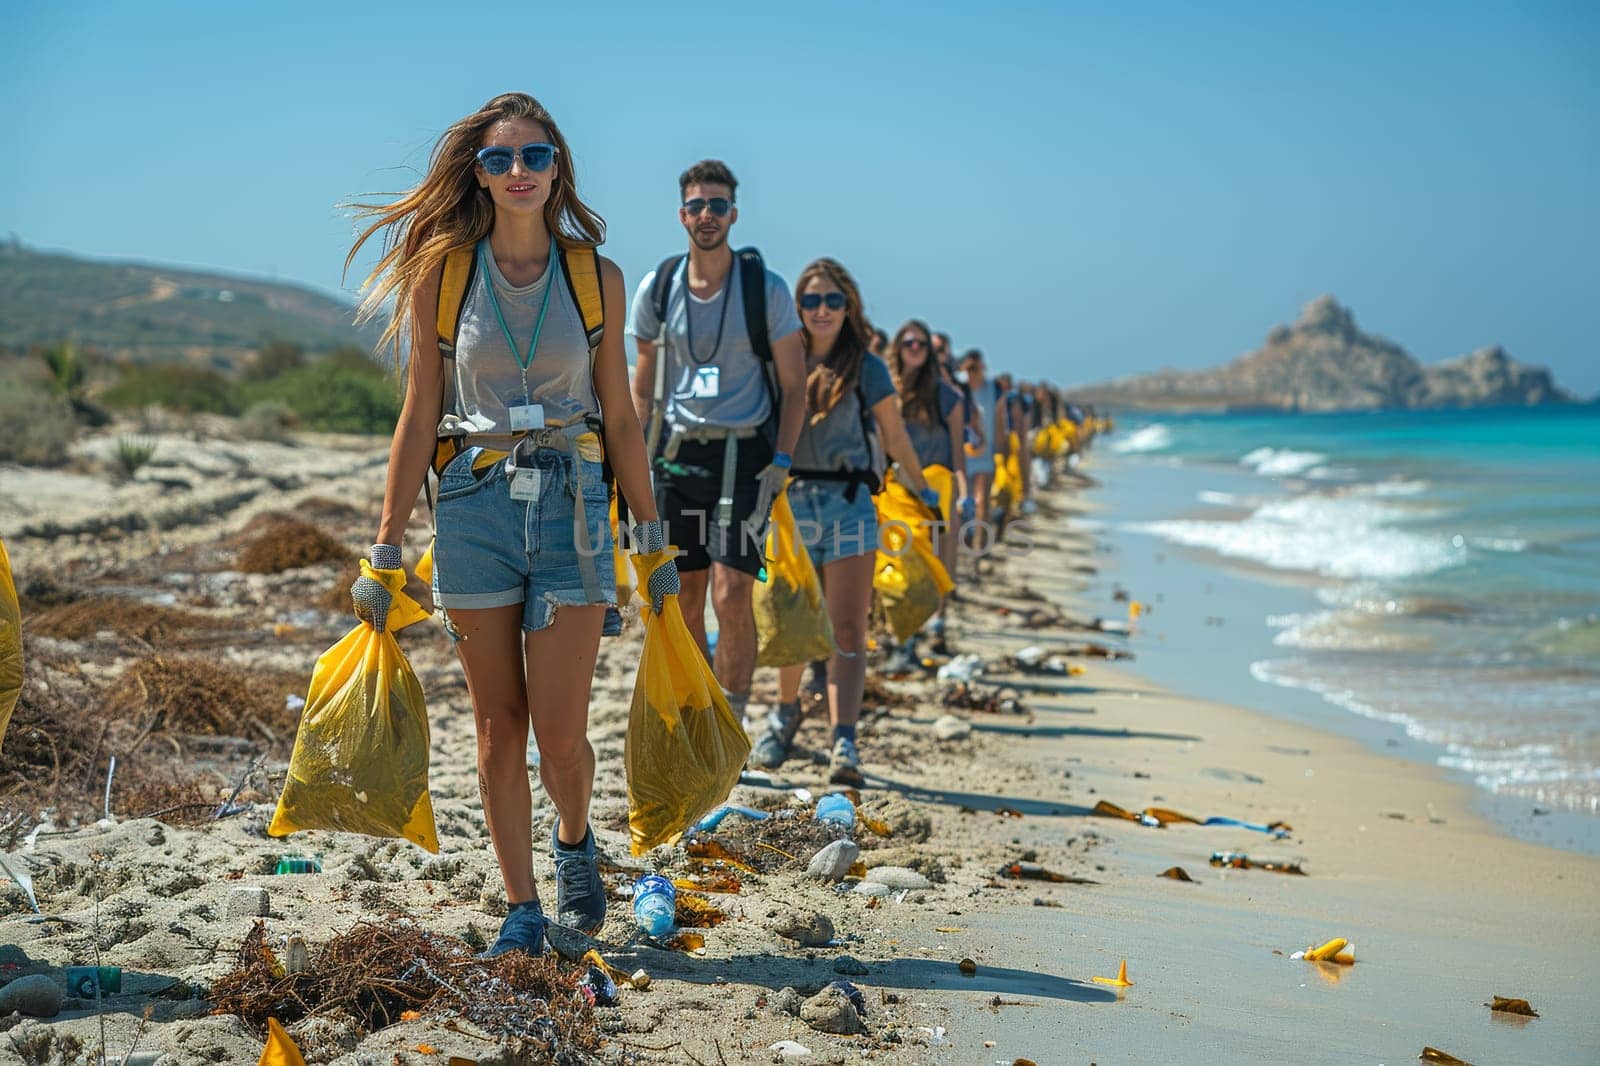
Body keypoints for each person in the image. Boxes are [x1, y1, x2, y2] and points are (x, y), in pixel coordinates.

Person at [344, 92, 677, 957]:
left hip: (574, 511)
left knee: (562, 732)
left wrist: (652, 536)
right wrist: (386, 544)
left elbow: (624, 416)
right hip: (472, 509)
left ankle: (575, 843)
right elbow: (420, 414)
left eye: (534, 157)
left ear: (558, 167)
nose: (518, 172)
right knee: (498, 725)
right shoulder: (445, 274)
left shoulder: (592, 275)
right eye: (500, 160)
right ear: (479, 174)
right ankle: (521, 909)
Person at [627, 160, 807, 730]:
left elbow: (797, 383)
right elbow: (642, 386)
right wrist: (630, 466)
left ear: (734, 214)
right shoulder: (659, 287)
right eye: (698, 205)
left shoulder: (766, 289)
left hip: (745, 456)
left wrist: (781, 459)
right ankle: (701, 712)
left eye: (719, 205)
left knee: (732, 593)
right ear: (682, 214)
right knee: (683, 597)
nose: (708, 215)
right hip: (679, 455)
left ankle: (734, 715)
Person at [749, 258, 939, 786]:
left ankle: (843, 741)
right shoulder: (782, 359)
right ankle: (785, 715)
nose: (822, 310)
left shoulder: (869, 367)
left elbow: (895, 437)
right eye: (811, 301)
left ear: (848, 306)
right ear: (797, 308)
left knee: (849, 629)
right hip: (790, 504)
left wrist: (923, 491)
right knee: (791, 621)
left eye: (833, 300)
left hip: (851, 503)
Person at [889, 318, 969, 654]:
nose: (916, 349)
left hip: (938, 487)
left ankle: (935, 624)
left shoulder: (947, 396)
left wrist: (964, 495)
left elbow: (958, 453)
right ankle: (902, 635)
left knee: (939, 561)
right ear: (898, 348)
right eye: (909, 343)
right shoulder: (886, 390)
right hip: (897, 488)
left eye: (922, 344)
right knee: (900, 559)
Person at [958, 348, 999, 560]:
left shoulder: (993, 389)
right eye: (970, 367)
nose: (973, 372)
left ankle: (979, 546)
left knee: (982, 500)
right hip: (961, 453)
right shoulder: (958, 387)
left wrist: (1002, 449)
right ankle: (963, 543)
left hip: (984, 453)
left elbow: (1000, 419)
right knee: (963, 503)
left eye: (977, 367)